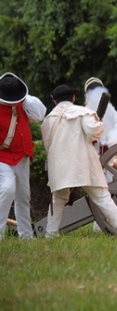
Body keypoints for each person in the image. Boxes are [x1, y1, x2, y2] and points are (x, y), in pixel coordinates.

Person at [40, 84, 117, 240]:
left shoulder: (47, 121)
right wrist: (99, 123)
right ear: (74, 98)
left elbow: (48, 144)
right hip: (84, 162)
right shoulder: (83, 113)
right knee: (103, 198)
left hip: (60, 165)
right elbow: (94, 133)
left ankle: (51, 235)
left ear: (55, 101)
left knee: (58, 200)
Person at [0, 72, 46, 239]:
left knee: (23, 196)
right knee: (7, 187)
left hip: (22, 154)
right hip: (2, 156)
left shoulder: (23, 101)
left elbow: (39, 115)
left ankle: (26, 235)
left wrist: (25, 99)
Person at [84, 77, 117, 231]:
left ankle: (105, 225)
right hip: (93, 158)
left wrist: (115, 137)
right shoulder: (84, 113)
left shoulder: (111, 112)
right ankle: (99, 226)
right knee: (99, 195)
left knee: (108, 194)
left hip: (110, 160)